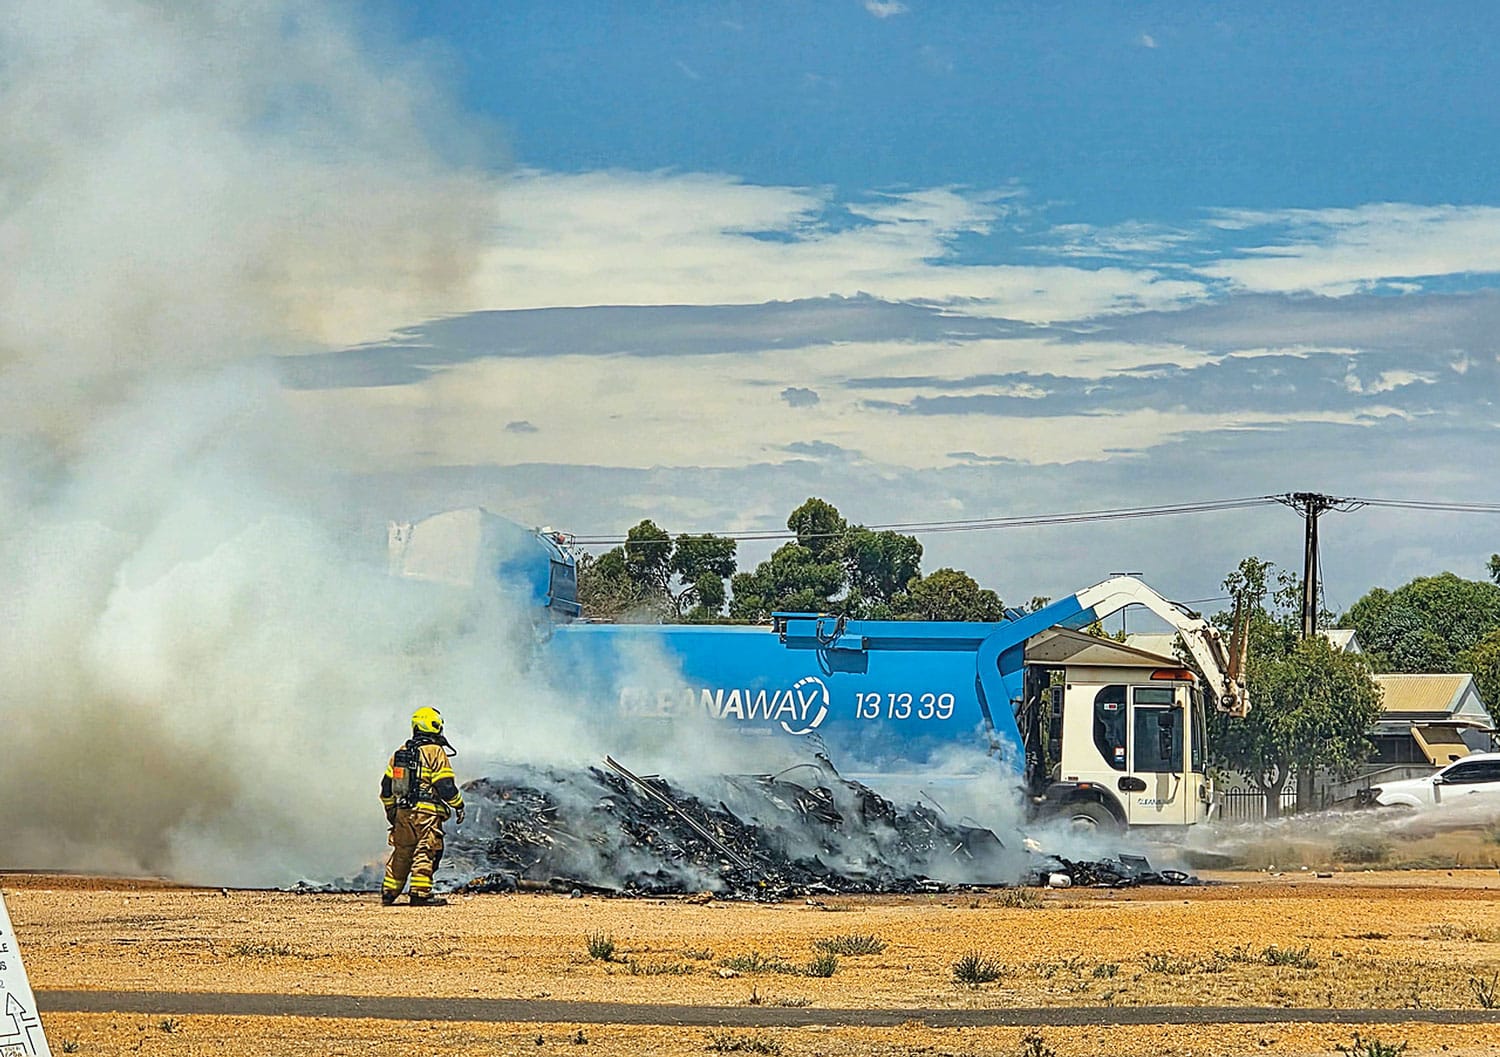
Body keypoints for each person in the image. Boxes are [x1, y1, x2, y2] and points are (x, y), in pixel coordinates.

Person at [380, 706, 464, 905]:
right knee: (426, 850)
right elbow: (445, 786)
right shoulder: (435, 752)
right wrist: (458, 804)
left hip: (403, 811)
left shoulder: (400, 752)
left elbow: (386, 787)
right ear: (435, 725)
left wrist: (392, 811)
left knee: (402, 851)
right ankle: (420, 893)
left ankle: (389, 892)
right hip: (427, 813)